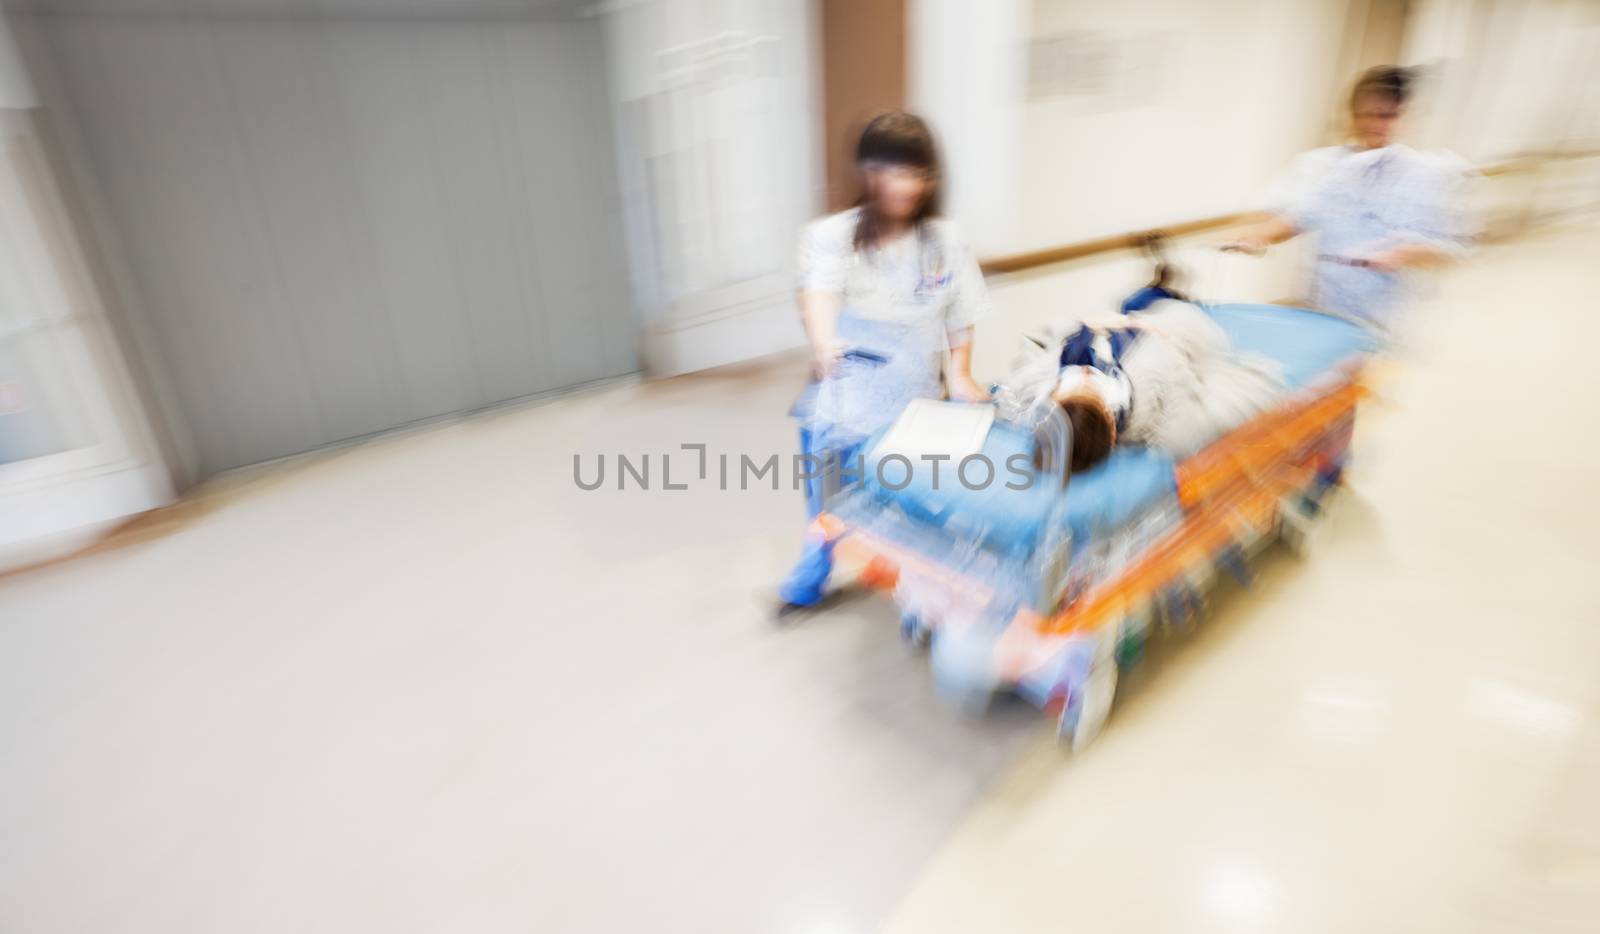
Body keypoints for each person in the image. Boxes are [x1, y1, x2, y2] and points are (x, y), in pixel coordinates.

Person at [778, 112, 992, 610]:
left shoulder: (944, 240)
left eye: (918, 173)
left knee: (911, 511)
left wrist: (960, 373)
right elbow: (819, 291)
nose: (908, 185)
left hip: (912, 404)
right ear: (869, 172)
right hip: (843, 401)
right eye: (894, 171)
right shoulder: (832, 235)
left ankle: (919, 597)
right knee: (829, 510)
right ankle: (809, 584)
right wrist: (824, 342)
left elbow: (962, 311)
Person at [1224, 66, 1474, 334]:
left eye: (1385, 116)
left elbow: (1451, 251)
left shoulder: (1428, 175)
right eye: (1364, 115)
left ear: (1405, 117)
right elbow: (1299, 218)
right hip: (1323, 310)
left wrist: (1404, 254)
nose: (1373, 125)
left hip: (1387, 319)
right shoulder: (1325, 166)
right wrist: (1257, 237)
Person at [1010, 299, 1286, 475]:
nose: (1084, 375)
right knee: (1172, 308)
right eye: (1093, 391)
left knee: (1139, 301)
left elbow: (1035, 344)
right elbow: (1254, 386)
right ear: (1112, 428)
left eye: (1070, 385)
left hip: (1117, 330)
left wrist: (1086, 324)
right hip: (1176, 333)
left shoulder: (1033, 393)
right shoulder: (1170, 423)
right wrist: (1154, 331)